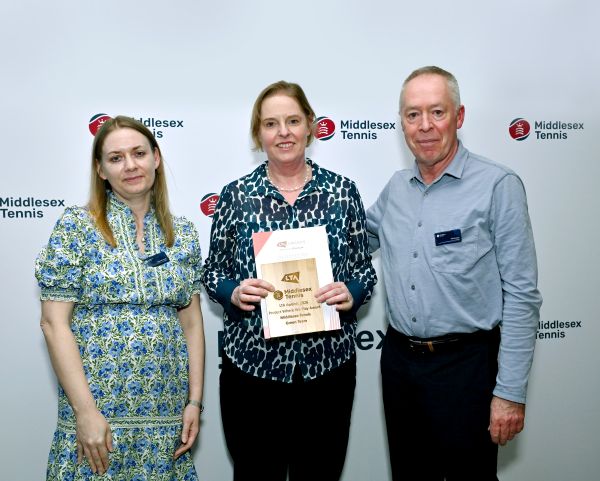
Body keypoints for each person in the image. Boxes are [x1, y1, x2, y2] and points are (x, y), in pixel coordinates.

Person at [366, 66, 543, 481]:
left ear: (459, 117)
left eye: (437, 112)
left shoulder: (498, 185)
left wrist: (510, 392)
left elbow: (522, 296)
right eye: (413, 114)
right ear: (402, 123)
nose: (424, 126)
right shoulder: (396, 188)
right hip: (400, 366)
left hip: (467, 370)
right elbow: (352, 240)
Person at [202, 80, 376, 481]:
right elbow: (212, 272)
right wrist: (233, 291)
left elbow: (364, 271)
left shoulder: (342, 192)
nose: (283, 132)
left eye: (293, 121)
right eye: (271, 124)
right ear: (258, 133)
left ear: (310, 125)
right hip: (253, 371)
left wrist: (351, 292)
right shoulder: (236, 196)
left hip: (327, 370)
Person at [35, 116, 205, 480]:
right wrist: (85, 413)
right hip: (99, 417)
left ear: (156, 158)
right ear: (101, 170)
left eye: (139, 153)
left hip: (165, 416)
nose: (130, 165)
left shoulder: (184, 233)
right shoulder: (76, 227)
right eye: (116, 158)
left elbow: (192, 323)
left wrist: (194, 401)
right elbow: (53, 324)